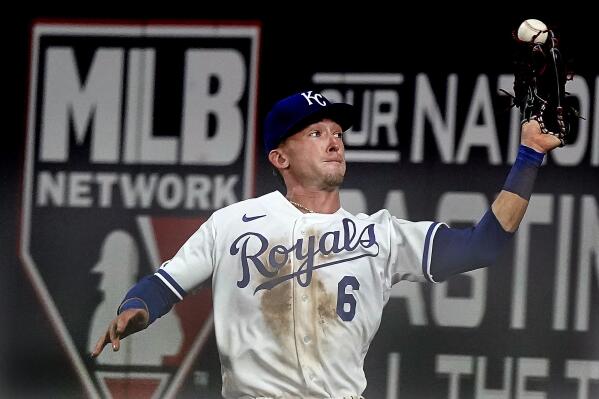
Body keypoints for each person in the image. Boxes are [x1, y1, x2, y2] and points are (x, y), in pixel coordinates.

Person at [91, 90, 560, 398]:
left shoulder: (379, 233)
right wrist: (135, 308)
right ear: (280, 157)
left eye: (337, 133)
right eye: (316, 133)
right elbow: (166, 283)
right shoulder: (232, 224)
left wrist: (529, 156)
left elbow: (483, 246)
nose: (334, 141)